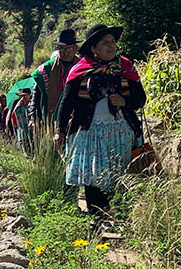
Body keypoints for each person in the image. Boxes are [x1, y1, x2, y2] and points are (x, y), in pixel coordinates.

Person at [54, 24, 146, 217]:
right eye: (105, 43)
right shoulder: (81, 70)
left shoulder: (125, 67)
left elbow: (140, 99)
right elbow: (66, 103)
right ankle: (98, 217)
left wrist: (124, 101)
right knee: (93, 176)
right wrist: (59, 130)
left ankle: (121, 216)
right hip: (89, 132)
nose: (111, 46)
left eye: (112, 42)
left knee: (119, 174)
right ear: (94, 49)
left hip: (120, 132)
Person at [31, 29, 81, 127]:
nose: (65, 52)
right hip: (51, 121)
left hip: (77, 120)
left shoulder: (82, 67)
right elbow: (36, 96)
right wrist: (34, 118)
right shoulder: (46, 69)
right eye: (62, 48)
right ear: (57, 48)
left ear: (75, 48)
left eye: (69, 48)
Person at [11, 87, 33, 152]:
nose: (23, 97)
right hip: (22, 127)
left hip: (31, 128)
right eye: (22, 96)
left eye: (25, 95)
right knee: (23, 143)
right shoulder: (19, 105)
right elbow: (16, 114)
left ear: (29, 95)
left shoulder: (33, 104)